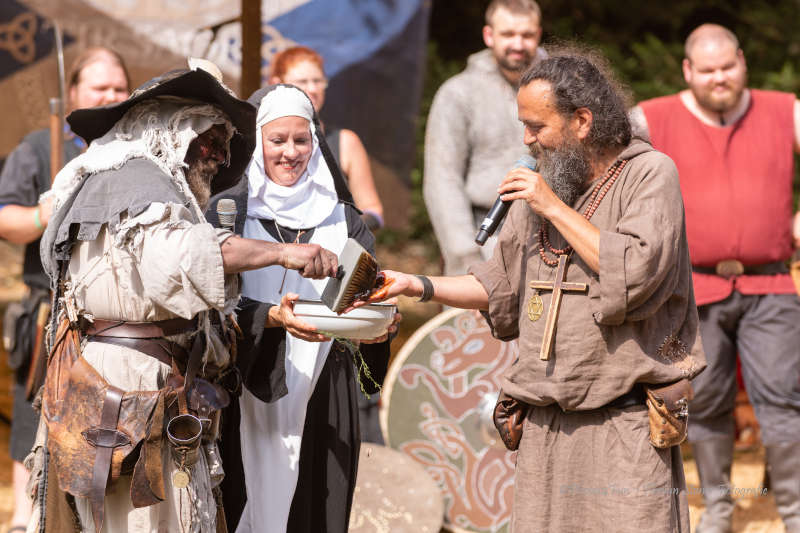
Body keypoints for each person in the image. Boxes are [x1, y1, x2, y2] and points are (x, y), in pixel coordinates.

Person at [358, 50, 707, 532]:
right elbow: (498, 283)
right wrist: (415, 284)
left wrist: (552, 207)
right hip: (545, 424)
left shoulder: (648, 175)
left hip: (622, 425)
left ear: (582, 121)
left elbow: (636, 271)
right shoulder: (546, 189)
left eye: (537, 126)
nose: (526, 140)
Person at [28, 64, 339, 533]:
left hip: (141, 380)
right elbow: (184, 256)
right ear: (171, 130)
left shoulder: (139, 181)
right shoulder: (135, 182)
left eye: (223, 144)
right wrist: (284, 252)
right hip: (126, 388)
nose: (217, 156)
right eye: (208, 141)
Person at [631, 23, 800, 533]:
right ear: (688, 70)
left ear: (743, 62)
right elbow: (616, 181)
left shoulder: (785, 110)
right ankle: (720, 510)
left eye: (728, 66)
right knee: (703, 400)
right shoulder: (651, 117)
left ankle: (794, 512)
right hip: (692, 287)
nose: (719, 77)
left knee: (785, 395)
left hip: (770, 284)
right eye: (707, 70)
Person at [209, 84, 394, 533]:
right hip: (246, 389)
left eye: (301, 139)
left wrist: (378, 328)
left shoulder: (344, 220)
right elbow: (207, 313)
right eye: (277, 140)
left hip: (324, 398)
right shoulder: (227, 215)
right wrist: (271, 318)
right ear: (257, 143)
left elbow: (363, 306)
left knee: (316, 511)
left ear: (316, 141)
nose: (291, 152)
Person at [0, 46, 130, 533]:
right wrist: (42, 214)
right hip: (48, 313)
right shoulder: (38, 146)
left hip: (114, 321)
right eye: (100, 87)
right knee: (35, 422)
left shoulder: (134, 153)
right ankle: (22, 520)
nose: (111, 96)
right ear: (74, 92)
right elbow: (5, 217)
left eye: (119, 88)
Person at [423, 0, 546, 275]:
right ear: (489, 35)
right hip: (485, 240)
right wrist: (464, 256)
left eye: (526, 35)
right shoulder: (458, 94)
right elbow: (443, 182)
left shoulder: (564, 88)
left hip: (552, 236)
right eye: (508, 34)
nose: (518, 44)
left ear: (538, 36)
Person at [269, 46, 384, 231]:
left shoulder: (346, 141)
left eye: (318, 81)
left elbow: (374, 210)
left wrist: (343, 230)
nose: (313, 89)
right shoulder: (258, 140)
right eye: (302, 81)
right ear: (277, 83)